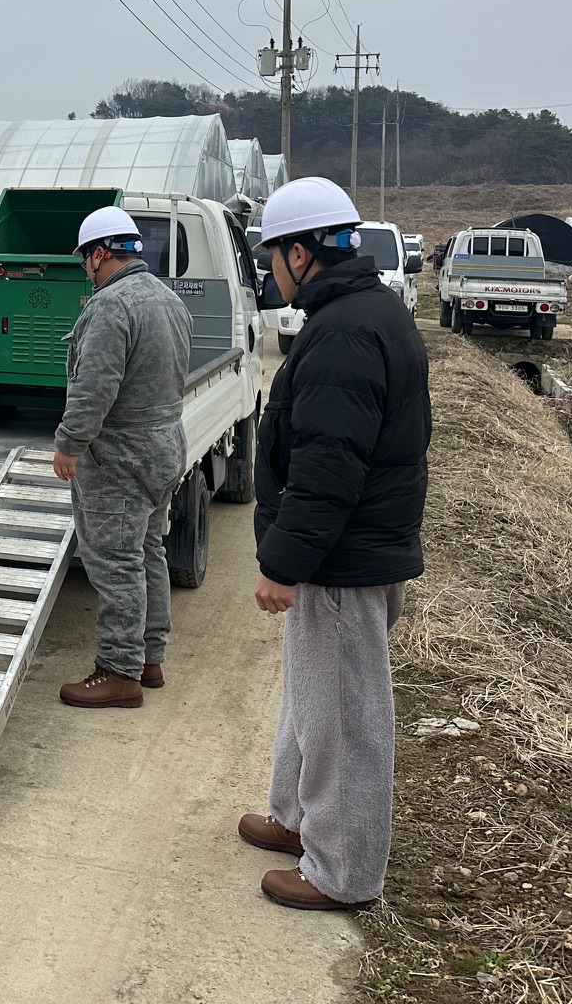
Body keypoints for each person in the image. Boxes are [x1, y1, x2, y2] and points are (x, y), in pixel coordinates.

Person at [238, 176, 431, 912]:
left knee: (346, 717)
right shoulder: (365, 311)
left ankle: (344, 873)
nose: (269, 274)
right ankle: (297, 820)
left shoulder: (347, 331)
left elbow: (328, 465)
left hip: (341, 558)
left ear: (300, 252)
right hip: (352, 549)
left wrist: (284, 562)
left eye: (271, 258)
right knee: (312, 696)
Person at [51, 205, 192, 709]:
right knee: (148, 551)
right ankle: (148, 659)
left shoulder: (111, 306)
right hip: (164, 446)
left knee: (114, 562)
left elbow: (94, 387)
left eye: (86, 258)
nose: (85, 269)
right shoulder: (167, 299)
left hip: (119, 455)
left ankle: (118, 672)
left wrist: (70, 443)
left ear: (101, 253)